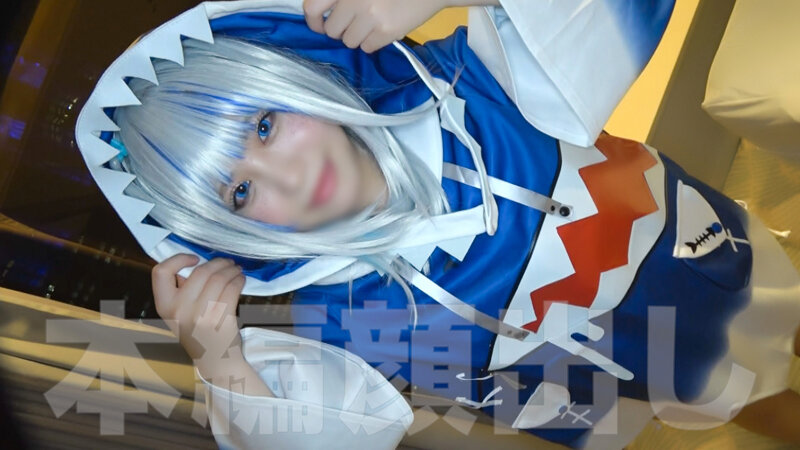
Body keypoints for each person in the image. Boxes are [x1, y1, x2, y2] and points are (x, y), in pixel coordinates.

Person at [75, 0, 800, 448]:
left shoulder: (472, 82)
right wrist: (223, 363)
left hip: (705, 249)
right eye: (239, 192)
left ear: (292, 74)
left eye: (264, 125)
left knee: (781, 303)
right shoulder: (342, 323)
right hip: (647, 370)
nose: (287, 177)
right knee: (747, 398)